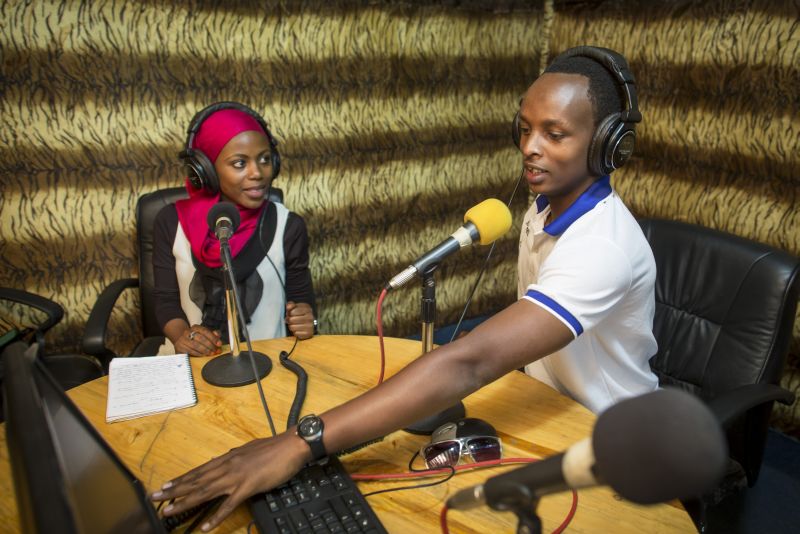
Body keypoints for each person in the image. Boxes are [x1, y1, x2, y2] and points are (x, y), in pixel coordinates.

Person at [152, 47, 659, 529]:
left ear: (607, 144)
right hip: (546, 412)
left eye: (555, 134)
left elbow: (473, 361)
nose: (530, 148)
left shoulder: (603, 247)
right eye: (525, 129)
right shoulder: (545, 205)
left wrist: (298, 444)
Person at [152, 102, 317, 357]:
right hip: (189, 363)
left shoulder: (289, 226)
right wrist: (182, 336)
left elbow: (302, 301)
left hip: (269, 366)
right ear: (205, 170)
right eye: (239, 163)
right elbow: (165, 301)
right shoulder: (170, 222)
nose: (258, 173)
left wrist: (307, 320)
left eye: (264, 159)